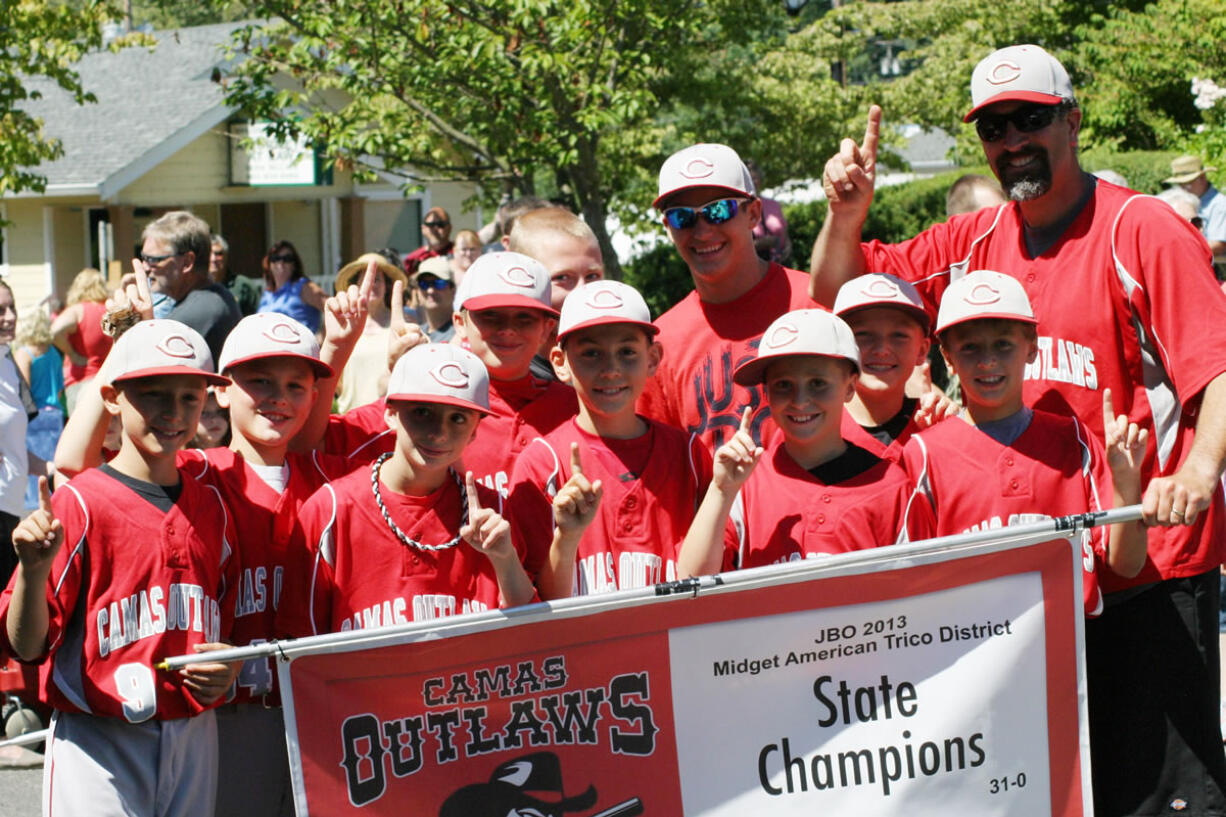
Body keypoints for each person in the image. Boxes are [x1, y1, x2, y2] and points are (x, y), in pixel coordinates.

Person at [808, 43, 1226, 817]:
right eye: (994, 127)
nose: (1012, 141)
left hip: (1146, 575)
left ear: (1072, 120)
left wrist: (1199, 471)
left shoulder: (1143, 228)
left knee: (1166, 802)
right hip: (1020, 596)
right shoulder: (972, 239)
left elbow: (1217, 368)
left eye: (1030, 118)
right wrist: (845, 214)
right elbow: (839, 304)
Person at [0, 319, 239, 816]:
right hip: (99, 739)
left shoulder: (213, 506)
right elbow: (26, 645)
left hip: (194, 734)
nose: (173, 413)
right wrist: (33, 571)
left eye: (190, 398)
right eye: (153, 395)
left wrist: (227, 669)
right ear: (113, 398)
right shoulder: (80, 503)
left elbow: (222, 632)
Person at [903, 270, 1148, 617]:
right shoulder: (922, 454)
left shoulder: (1072, 439)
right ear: (947, 357)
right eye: (970, 347)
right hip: (966, 651)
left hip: (1070, 649)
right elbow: (909, 581)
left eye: (1003, 344)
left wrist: (1126, 485)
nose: (988, 361)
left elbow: (1127, 564)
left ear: (1032, 347)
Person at [278, 343, 536, 638]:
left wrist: (505, 559)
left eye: (458, 418)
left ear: (475, 431)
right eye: (422, 412)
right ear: (390, 414)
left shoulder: (493, 513)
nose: (439, 432)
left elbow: (527, 636)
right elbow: (298, 648)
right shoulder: (331, 508)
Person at [677, 309, 931, 577]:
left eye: (818, 383)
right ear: (766, 392)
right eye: (783, 385)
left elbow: (919, 595)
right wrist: (721, 490)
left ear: (849, 387)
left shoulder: (892, 487)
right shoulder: (745, 484)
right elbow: (692, 580)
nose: (800, 400)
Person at [507, 281, 711, 599]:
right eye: (591, 353)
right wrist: (567, 537)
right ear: (560, 362)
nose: (611, 369)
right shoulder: (541, 462)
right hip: (585, 647)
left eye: (627, 352)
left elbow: (711, 581)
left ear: (653, 357)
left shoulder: (688, 454)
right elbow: (537, 606)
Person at [638, 143, 817, 453]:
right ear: (668, 227)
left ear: (754, 213)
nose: (703, 231)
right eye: (682, 218)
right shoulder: (660, 345)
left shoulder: (814, 302)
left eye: (719, 210)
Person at [832, 274, 952, 462]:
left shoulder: (939, 426)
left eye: (899, 335)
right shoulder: (811, 427)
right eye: (863, 334)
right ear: (837, 345)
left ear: (922, 350)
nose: (881, 350)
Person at [506, 206, 605, 381]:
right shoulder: (507, 383)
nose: (583, 292)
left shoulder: (619, 369)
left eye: (592, 276)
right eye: (563, 277)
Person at [140, 211, 241, 364]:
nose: (145, 268)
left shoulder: (193, 315)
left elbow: (145, 370)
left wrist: (133, 326)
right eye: (144, 258)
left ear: (187, 262)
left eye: (153, 260)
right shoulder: (215, 297)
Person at [333, 252, 406, 413]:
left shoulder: (400, 322)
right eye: (365, 278)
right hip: (351, 419)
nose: (372, 284)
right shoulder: (343, 325)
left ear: (386, 286)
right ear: (356, 285)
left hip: (388, 418)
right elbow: (335, 377)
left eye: (377, 279)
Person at [14, 307, 64, 509]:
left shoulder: (24, 353)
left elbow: (23, 392)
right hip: (55, 413)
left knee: (36, 471)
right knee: (54, 464)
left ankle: (37, 509)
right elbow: (60, 388)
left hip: (35, 418)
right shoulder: (53, 352)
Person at [0, 279, 31, 587]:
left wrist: (52, 468)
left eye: (12, 308)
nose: (10, 317)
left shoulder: (8, 361)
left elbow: (15, 445)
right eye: (0, 310)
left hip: (11, 508)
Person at [50, 268, 112, 415]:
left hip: (81, 382)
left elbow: (54, 331)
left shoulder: (77, 310)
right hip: (107, 382)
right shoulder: (110, 311)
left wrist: (72, 354)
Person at [257, 240, 326, 334]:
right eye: (275, 258)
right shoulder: (268, 293)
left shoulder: (304, 287)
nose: (281, 263)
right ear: (269, 264)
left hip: (299, 347)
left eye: (287, 259)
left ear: (294, 265)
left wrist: (323, 336)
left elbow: (333, 308)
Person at [1165, 154, 1226, 259]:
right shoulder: (1181, 201)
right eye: (1179, 184)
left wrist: (1179, 251)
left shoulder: (1220, 205)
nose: (1183, 188)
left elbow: (1218, 246)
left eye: (1187, 183)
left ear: (1202, 178)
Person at [747, 159, 793, 265]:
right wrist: (761, 244)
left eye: (755, 178)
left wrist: (787, 245)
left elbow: (784, 232)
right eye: (750, 180)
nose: (754, 182)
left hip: (780, 263)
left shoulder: (773, 205)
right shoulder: (740, 208)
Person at [209, 234, 261, 317]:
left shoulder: (244, 285)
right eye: (208, 253)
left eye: (218, 254)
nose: (213, 259)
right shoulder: (197, 287)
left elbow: (259, 316)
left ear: (226, 256)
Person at [414, 255, 458, 342]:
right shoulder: (416, 334)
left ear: (453, 290)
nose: (430, 290)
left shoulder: (462, 333)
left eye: (439, 283)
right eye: (423, 284)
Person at [404, 206, 454, 276]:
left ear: (449, 227)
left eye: (440, 224)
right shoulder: (413, 259)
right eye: (431, 225)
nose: (435, 228)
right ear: (423, 228)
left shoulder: (461, 253)